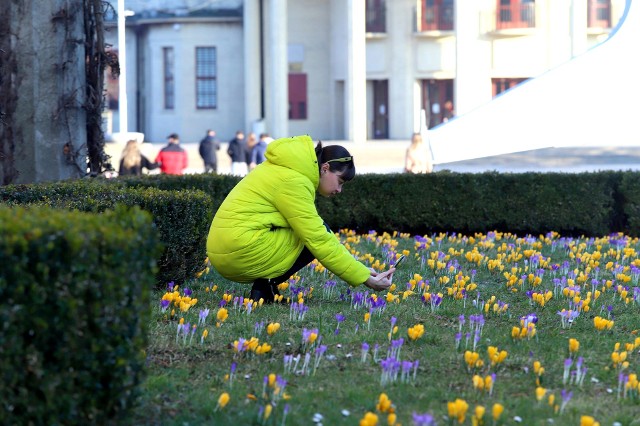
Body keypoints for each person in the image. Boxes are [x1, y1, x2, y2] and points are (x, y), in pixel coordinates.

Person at [206, 134, 396, 303]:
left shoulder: (285, 168)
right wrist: (364, 278)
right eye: (339, 181)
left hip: (225, 248)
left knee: (311, 229)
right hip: (238, 251)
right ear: (325, 168)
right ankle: (264, 289)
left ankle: (265, 288)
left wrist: (363, 271)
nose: (339, 190)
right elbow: (318, 238)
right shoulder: (294, 181)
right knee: (315, 234)